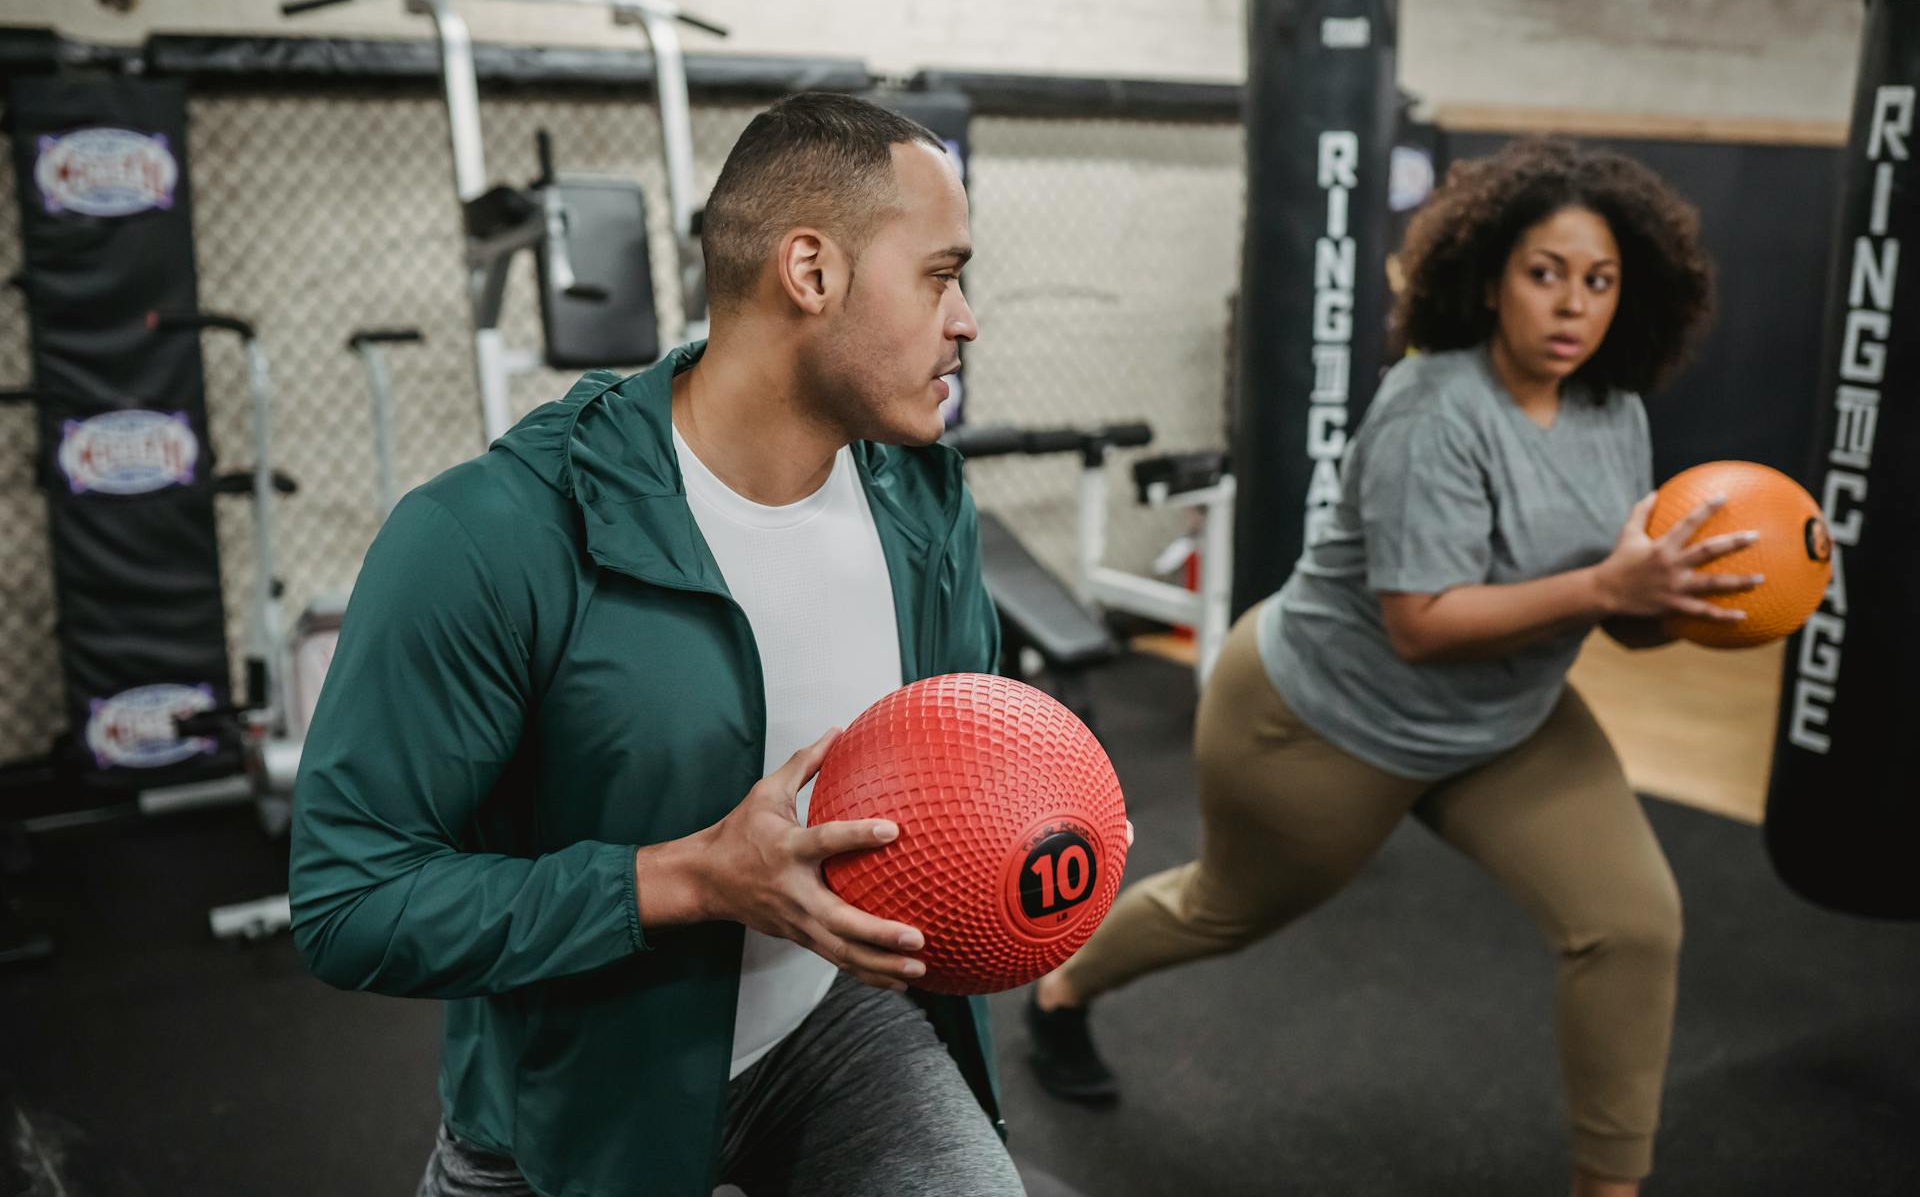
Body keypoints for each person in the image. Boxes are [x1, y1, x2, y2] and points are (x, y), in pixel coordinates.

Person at [289, 93, 1025, 1197]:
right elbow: (350, 902)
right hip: (577, 1088)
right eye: (939, 274)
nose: (965, 317)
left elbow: (954, 765)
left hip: (827, 1032)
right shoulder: (486, 537)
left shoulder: (923, 495)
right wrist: (685, 879)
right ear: (811, 272)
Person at [1026, 137, 1738, 1197]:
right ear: (1492, 274)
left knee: (1633, 922)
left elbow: (1617, 605)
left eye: (1600, 281)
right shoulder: (1432, 408)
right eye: (1546, 273)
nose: (1573, 307)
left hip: (1504, 721)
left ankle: (1608, 1187)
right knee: (1226, 906)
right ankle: (1063, 988)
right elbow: (1423, 622)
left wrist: (1684, 599)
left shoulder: (1613, 412)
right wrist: (1606, 592)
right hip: (1319, 718)